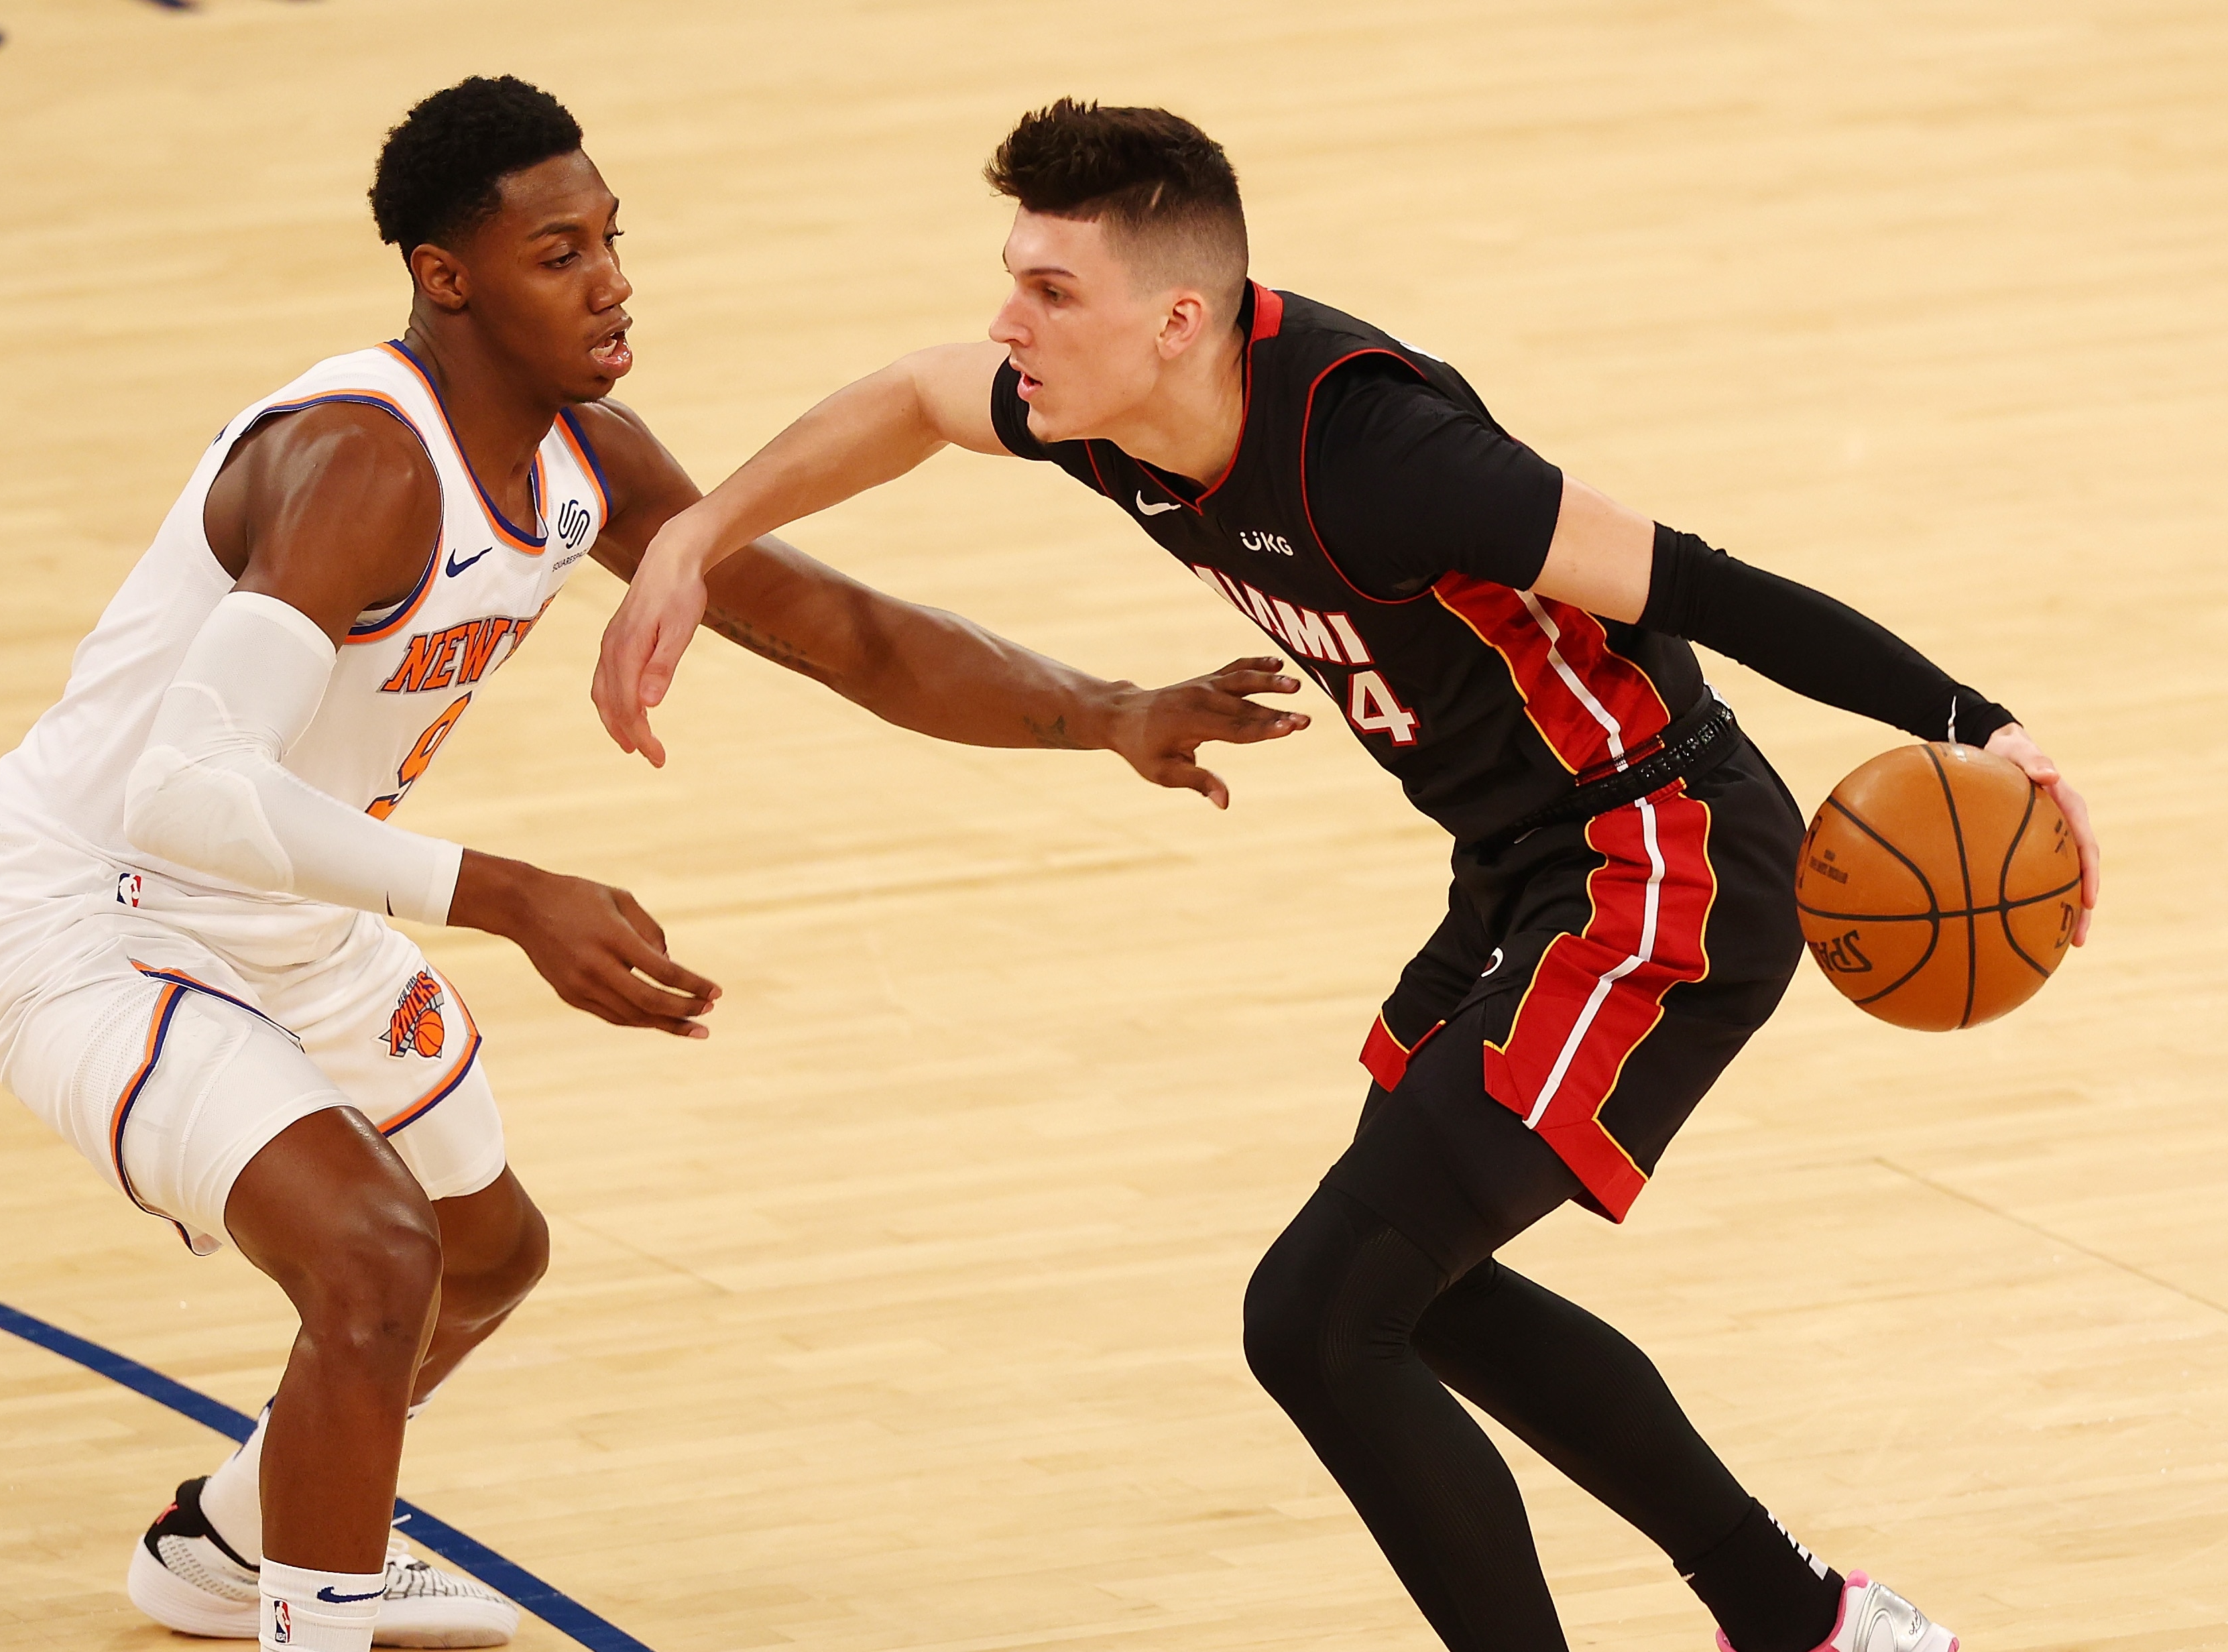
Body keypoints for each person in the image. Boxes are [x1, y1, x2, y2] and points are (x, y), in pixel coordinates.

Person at [591, 98, 2101, 1652]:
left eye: (1050, 291)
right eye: (1012, 281)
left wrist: (1981, 726)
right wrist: (695, 536)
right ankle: (1809, 1622)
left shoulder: (1387, 458)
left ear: (1178, 322)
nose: (1007, 326)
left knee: (1318, 1317)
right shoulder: (1106, 412)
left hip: (1660, 861)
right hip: (1518, 868)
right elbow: (915, 397)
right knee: (1415, 1295)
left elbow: (1704, 585)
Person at [0, 78, 1303, 1652]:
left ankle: (231, 1545)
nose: (611, 282)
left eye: (610, 239)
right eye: (559, 254)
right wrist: (510, 895)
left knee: (482, 1256)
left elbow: (845, 632)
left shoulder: (590, 457)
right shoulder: (362, 461)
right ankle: (319, 1612)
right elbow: (184, 791)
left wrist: (1110, 711)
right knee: (373, 1257)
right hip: (89, 912)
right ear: (446, 278)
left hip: (286, 894)